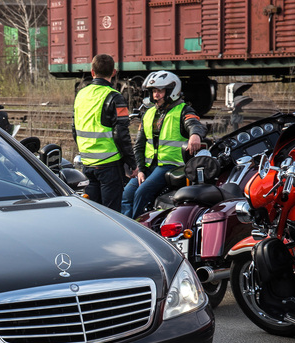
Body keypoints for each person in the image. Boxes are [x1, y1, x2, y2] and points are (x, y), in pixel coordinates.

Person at [121, 71, 207, 219]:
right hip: (148, 166)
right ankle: (125, 227)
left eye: (160, 91)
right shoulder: (148, 113)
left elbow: (194, 124)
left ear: (172, 91)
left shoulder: (183, 110)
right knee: (127, 194)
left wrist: (195, 135)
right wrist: (140, 170)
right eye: (154, 91)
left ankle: (138, 227)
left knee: (142, 193)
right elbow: (139, 145)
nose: (156, 95)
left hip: (170, 165)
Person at [72, 53, 135, 212]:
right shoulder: (115, 97)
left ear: (92, 72)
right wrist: (132, 163)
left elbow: (74, 129)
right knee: (111, 214)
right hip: (109, 165)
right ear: (114, 72)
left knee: (94, 213)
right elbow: (121, 134)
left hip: (86, 164)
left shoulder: (81, 94)